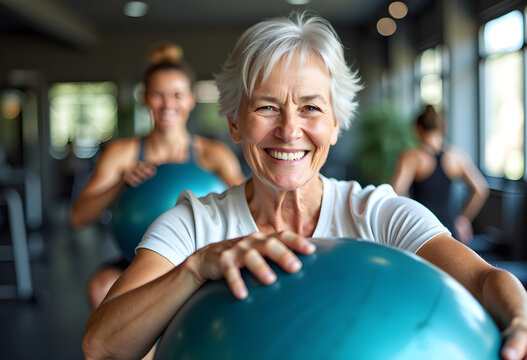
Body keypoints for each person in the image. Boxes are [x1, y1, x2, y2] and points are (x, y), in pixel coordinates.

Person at [82, 13, 527, 360]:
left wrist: (520, 316)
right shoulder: (192, 225)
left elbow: (486, 279)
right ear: (235, 123)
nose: (290, 129)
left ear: (335, 125)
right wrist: (196, 269)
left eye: (311, 108)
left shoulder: (380, 215)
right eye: (267, 107)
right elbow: (100, 347)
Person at [70, 42, 245, 310]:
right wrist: (121, 184)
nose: (168, 105)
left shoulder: (214, 155)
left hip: (202, 258)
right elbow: (79, 217)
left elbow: (250, 210)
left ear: (190, 99)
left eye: (177, 95)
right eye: (158, 95)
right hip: (138, 259)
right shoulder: (122, 154)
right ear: (145, 98)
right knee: (100, 286)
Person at [390, 105, 490, 244]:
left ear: (418, 129)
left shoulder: (411, 157)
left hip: (421, 229)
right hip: (449, 230)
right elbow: (481, 189)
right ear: (442, 128)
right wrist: (463, 219)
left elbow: (396, 192)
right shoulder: (457, 157)